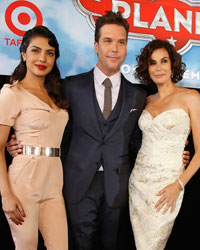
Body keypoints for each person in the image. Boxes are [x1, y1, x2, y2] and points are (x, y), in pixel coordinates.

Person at [6, 13, 190, 250]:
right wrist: (17, 144)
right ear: (96, 45)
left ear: (126, 47)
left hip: (118, 186)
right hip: (77, 183)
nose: (114, 49)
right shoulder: (70, 86)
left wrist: (175, 153)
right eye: (107, 41)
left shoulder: (138, 95)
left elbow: (140, 138)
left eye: (121, 42)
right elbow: (51, 124)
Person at [0, 26, 69, 250]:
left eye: (49, 53)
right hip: (24, 181)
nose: (42, 58)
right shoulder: (12, 93)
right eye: (35, 51)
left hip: (54, 182)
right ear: (23, 54)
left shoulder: (55, 95)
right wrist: (6, 195)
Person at [129, 39, 200, 250]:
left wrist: (178, 185)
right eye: (152, 63)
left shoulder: (191, 97)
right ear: (146, 68)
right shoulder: (146, 100)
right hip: (138, 184)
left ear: (172, 65)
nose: (158, 67)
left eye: (164, 61)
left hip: (167, 186)